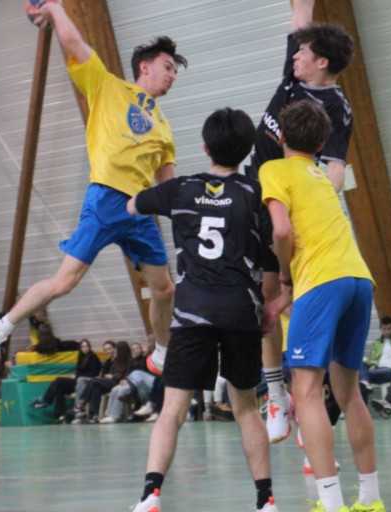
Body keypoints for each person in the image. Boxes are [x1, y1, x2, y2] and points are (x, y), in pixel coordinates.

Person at [0, 1, 188, 375]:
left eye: (175, 72)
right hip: (107, 198)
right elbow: (75, 43)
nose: (172, 76)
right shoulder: (107, 85)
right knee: (64, 282)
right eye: (168, 67)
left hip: (141, 211)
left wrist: (189, 214)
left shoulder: (164, 128)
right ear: (145, 66)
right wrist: (55, 9)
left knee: (164, 288)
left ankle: (163, 352)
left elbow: (168, 187)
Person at [126, 108, 279, 512]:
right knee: (246, 408)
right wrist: (269, 303)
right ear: (246, 150)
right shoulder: (255, 193)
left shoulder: (182, 188)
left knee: (172, 410)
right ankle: (265, 500)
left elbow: (132, 206)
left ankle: (150, 494)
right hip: (240, 310)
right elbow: (272, 255)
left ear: (205, 148)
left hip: (192, 311)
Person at [261, 100, 383, 512]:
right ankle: (370, 498)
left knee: (307, 390)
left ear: (280, 136)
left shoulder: (274, 170)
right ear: (320, 144)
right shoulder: (322, 176)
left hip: (319, 281)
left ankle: (331, 502)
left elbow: (281, 230)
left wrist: (284, 277)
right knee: (350, 393)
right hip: (358, 278)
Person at [244, 0, 357, 444]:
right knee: (265, 299)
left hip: (292, 206)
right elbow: (300, 19)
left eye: (304, 52)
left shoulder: (335, 107)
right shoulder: (294, 74)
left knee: (296, 301)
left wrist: (316, 201)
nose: (295, 55)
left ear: (321, 62)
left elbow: (336, 168)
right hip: (259, 194)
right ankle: (275, 394)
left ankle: (311, 399)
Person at [33, 338, 102, 419]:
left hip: (85, 383)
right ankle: (59, 414)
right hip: (77, 381)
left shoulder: (93, 357)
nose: (85, 348)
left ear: (89, 347)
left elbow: (93, 374)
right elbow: (79, 371)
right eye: (82, 347)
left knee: (59, 380)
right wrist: (75, 375)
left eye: (86, 346)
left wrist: (78, 376)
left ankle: (46, 401)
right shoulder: (81, 356)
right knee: (59, 387)